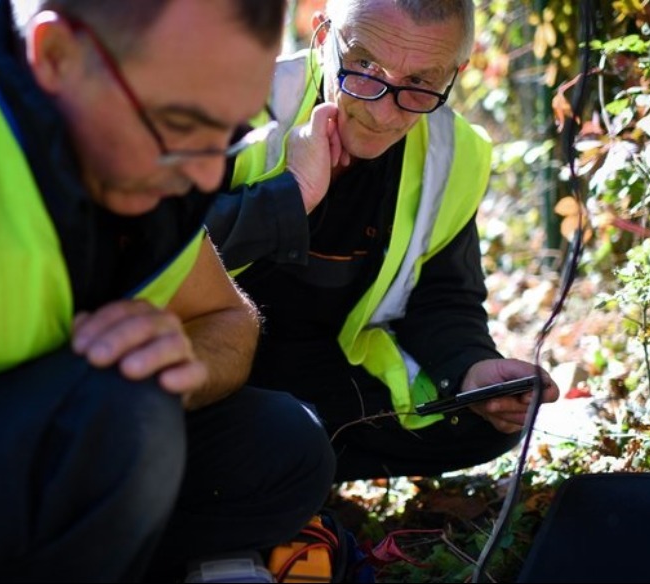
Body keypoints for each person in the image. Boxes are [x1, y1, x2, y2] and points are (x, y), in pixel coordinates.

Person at [0, 0, 336, 581]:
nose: (208, 176)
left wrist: (180, 361)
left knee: (284, 447)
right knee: (122, 423)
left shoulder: (155, 144)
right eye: (182, 126)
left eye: (233, 131)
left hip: (44, 451)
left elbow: (226, 318)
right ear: (56, 55)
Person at [206, 0, 561, 482]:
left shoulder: (454, 152)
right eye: (364, 66)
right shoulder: (233, 102)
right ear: (323, 34)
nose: (381, 110)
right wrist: (290, 196)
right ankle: (276, 467)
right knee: (283, 436)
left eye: (419, 83)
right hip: (207, 367)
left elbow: (443, 296)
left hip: (324, 374)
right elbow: (151, 254)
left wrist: (470, 367)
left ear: (454, 74)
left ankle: (273, 470)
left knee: (482, 426)